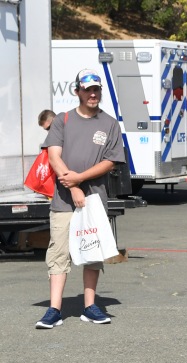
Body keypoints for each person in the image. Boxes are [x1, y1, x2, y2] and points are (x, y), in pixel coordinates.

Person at [35, 69, 124, 329]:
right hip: (63, 199)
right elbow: (53, 156)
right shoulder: (63, 120)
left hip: (94, 199)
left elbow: (110, 162)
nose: (93, 93)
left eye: (96, 89)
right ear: (77, 91)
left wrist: (80, 179)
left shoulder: (109, 123)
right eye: (88, 89)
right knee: (59, 251)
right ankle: (54, 310)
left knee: (91, 251)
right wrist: (72, 185)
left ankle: (90, 306)